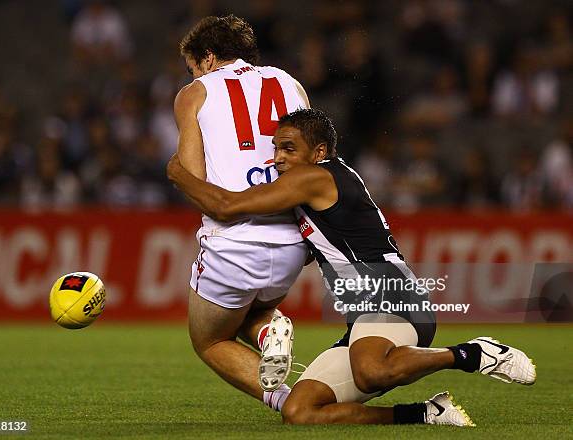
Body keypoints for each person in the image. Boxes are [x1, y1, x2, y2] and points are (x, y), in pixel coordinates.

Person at [167, 108, 536, 426]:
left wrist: (180, 173)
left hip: (391, 296)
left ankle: (475, 353)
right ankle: (426, 413)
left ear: (320, 151)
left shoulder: (314, 176)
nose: (277, 158)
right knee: (300, 410)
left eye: (289, 148)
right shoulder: (321, 182)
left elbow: (226, 206)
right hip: (364, 313)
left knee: (370, 369)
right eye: (276, 148)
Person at [174, 15, 311, 413]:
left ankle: (287, 401)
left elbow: (196, 183)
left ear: (209, 57)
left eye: (193, 66)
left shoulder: (195, 93)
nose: (193, 74)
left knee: (210, 340)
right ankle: (270, 331)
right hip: (291, 240)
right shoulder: (290, 83)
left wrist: (174, 172)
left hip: (232, 243)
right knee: (254, 308)